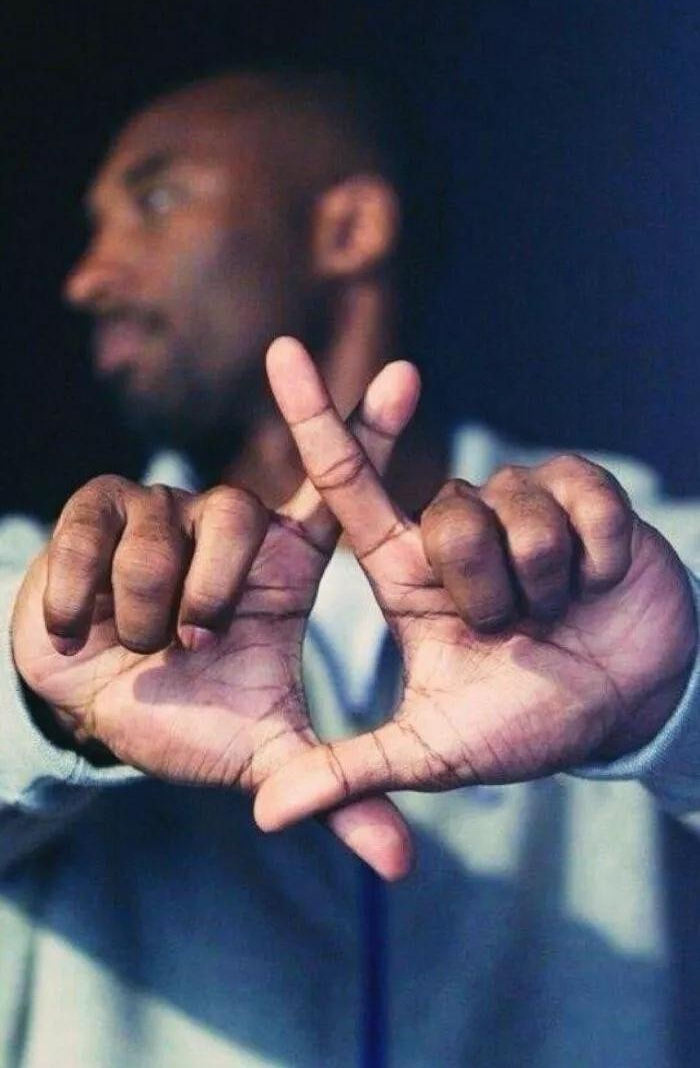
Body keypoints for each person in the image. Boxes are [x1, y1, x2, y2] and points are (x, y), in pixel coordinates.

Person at [2, 70, 700, 1067]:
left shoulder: (637, 575)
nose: (87, 278)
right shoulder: (41, 599)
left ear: (349, 228)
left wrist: (678, 703)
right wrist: (45, 712)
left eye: (154, 199)